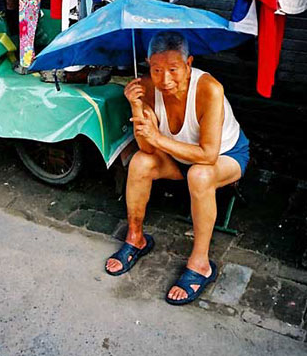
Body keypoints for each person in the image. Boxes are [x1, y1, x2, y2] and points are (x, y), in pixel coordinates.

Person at [105, 30, 250, 305]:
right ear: (148, 63)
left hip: (225, 157)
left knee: (199, 174)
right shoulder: (147, 87)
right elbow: (148, 149)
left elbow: (207, 155)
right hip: (178, 158)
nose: (165, 79)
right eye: (157, 69)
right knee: (139, 162)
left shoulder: (209, 89)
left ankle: (200, 264)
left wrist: (158, 138)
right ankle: (136, 238)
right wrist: (137, 107)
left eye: (173, 69)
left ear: (189, 63)